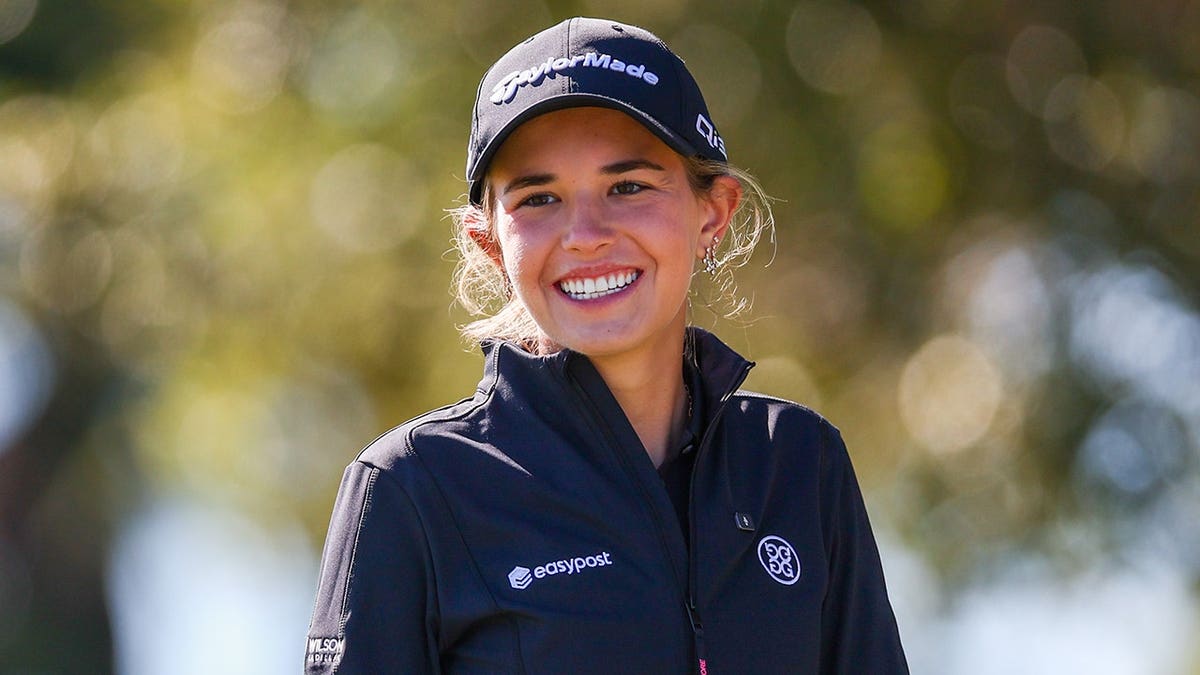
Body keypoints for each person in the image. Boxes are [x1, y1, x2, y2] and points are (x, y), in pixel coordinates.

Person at [305, 16, 907, 674]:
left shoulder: (798, 463)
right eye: (539, 198)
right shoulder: (409, 488)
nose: (585, 234)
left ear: (712, 212)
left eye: (628, 187)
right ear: (491, 245)